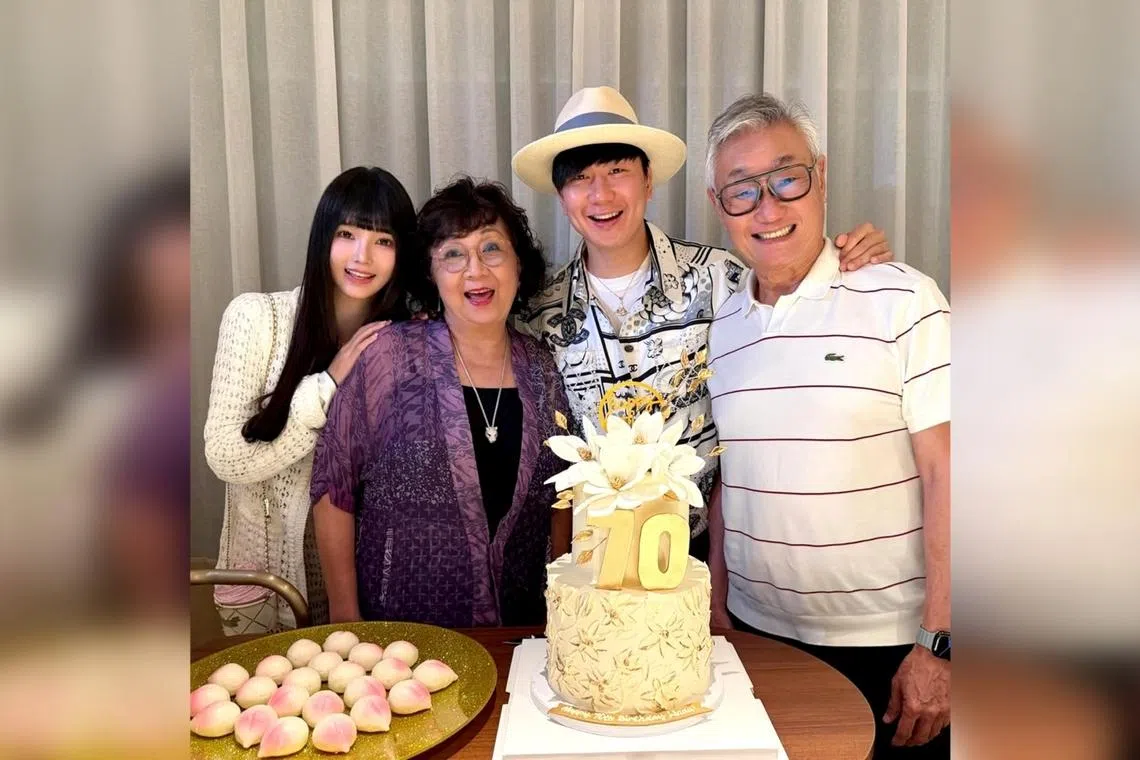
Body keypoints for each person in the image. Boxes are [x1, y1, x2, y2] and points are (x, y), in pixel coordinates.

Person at [512, 86, 893, 560]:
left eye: (617, 171)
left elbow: (806, 328)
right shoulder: (537, 316)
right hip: (591, 562)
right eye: (580, 178)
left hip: (711, 557)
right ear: (561, 195)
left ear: (648, 180)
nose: (601, 194)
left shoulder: (724, 280)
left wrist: (848, 257)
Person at [703, 93, 950, 758]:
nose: (768, 208)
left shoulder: (904, 298)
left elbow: (952, 472)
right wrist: (719, 600)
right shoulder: (724, 326)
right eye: (742, 190)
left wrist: (941, 642)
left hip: (891, 648)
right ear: (717, 204)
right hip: (757, 638)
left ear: (822, 175)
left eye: (787, 178)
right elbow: (734, 474)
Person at [310, 177, 571, 628]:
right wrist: (345, 614)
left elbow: (562, 494)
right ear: (430, 272)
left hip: (520, 631)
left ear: (518, 265)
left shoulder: (542, 368)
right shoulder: (388, 356)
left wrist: (565, 605)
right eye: (453, 254)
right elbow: (334, 485)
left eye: (492, 248)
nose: (475, 270)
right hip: (402, 634)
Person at [204, 166, 418, 634]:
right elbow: (225, 457)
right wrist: (329, 382)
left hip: (362, 584)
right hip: (265, 586)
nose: (362, 256)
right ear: (323, 237)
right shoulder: (256, 318)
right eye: (347, 234)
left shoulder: (402, 341)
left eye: (383, 240)